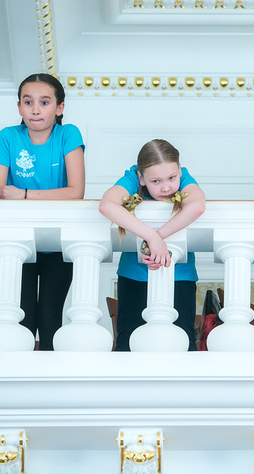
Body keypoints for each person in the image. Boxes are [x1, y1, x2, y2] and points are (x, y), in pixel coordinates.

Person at [0, 73, 85, 350]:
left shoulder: (68, 134)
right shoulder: (8, 137)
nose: (36, 109)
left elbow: (76, 192)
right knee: (22, 319)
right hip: (18, 241)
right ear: (19, 107)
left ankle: (52, 377)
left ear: (59, 108)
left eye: (45, 102)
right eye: (28, 102)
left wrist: (23, 194)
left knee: (50, 320)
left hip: (59, 242)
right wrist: (41, 196)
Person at [98, 139, 206, 351]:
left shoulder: (184, 176)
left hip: (180, 276)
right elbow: (106, 206)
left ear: (179, 171)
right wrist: (152, 238)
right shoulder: (133, 176)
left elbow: (197, 207)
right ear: (141, 178)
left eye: (172, 178)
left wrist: (158, 237)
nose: (166, 187)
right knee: (128, 342)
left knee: (182, 342)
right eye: (155, 181)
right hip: (133, 276)